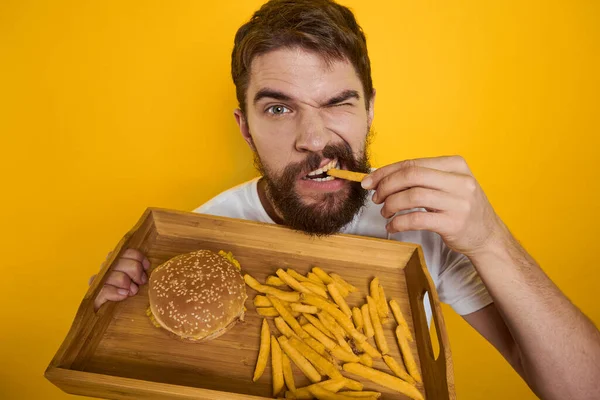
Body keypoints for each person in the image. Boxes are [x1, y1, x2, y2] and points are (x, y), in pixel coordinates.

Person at [90, 1, 600, 398]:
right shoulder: (197, 241)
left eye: (338, 102)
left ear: (370, 111)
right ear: (244, 127)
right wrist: (116, 314)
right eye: (278, 108)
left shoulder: (421, 221)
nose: (314, 138)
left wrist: (491, 241)